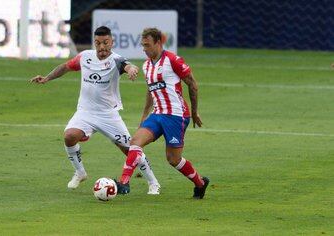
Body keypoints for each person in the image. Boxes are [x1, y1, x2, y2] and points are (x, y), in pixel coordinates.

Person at [30, 26, 161, 194]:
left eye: (105, 43)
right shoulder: (85, 57)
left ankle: (153, 182)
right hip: (85, 112)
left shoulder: (116, 59)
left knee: (131, 150)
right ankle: (80, 172)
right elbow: (65, 66)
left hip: (108, 115)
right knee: (69, 136)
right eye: (98, 43)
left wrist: (132, 69)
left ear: (112, 42)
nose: (102, 47)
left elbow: (126, 65)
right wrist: (47, 78)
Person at [115, 28, 209, 199]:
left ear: (158, 43)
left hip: (176, 116)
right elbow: (151, 90)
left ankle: (200, 183)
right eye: (142, 45)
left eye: (147, 45)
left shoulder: (173, 60)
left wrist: (194, 113)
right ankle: (124, 182)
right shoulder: (146, 65)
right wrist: (145, 115)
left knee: (173, 159)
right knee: (135, 141)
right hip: (158, 115)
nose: (144, 49)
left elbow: (193, 85)